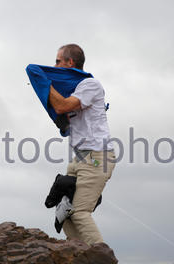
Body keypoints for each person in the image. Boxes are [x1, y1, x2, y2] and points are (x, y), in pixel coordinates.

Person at [48, 44, 116, 245]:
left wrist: (45, 82)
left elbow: (62, 106)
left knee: (79, 212)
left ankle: (103, 262)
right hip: (79, 158)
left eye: (58, 61)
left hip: (97, 157)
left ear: (70, 63)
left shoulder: (90, 84)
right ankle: (81, 259)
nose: (54, 65)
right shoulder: (75, 89)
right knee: (64, 212)